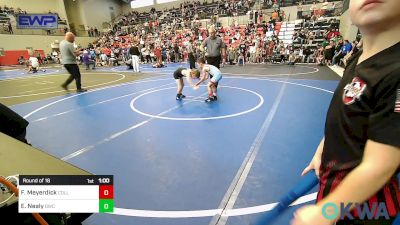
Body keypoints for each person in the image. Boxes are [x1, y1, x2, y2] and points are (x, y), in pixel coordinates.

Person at [291, 0, 400, 224]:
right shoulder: (359, 59)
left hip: (365, 207)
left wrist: (326, 212)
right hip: (337, 194)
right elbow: (347, 116)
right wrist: (323, 149)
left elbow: (380, 166)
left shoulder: (396, 71)